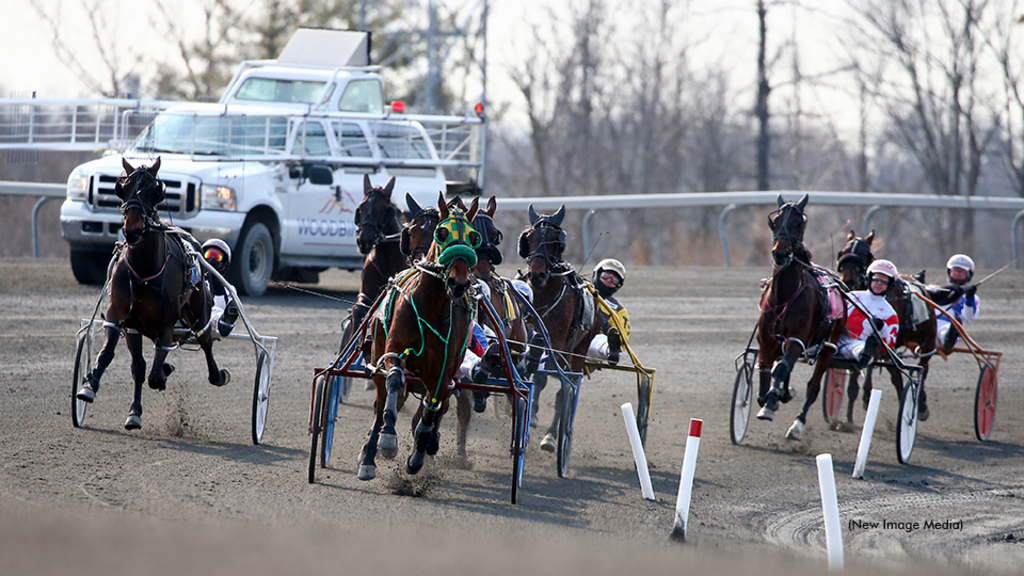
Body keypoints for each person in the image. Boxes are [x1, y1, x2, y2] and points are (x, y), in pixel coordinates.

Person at [837, 259, 900, 368]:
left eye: (884, 281)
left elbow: (888, 346)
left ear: (889, 285)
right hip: (833, 337)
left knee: (858, 348)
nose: (879, 283)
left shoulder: (890, 314)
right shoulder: (851, 296)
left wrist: (882, 328)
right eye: (876, 279)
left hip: (854, 344)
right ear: (869, 279)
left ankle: (865, 354)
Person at [934, 254, 980, 352]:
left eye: (961, 271)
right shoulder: (935, 289)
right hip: (929, 324)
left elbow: (968, 316)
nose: (957, 273)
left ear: (968, 274)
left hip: (949, 328)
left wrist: (969, 297)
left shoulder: (973, 298)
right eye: (954, 270)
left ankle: (949, 337)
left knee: (946, 331)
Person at [588, 258, 629, 366]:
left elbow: (623, 339)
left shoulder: (618, 310)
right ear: (597, 274)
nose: (609, 280)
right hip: (566, 336)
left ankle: (609, 349)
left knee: (600, 340)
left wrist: (605, 325)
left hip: (591, 343)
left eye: (615, 279)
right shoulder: (580, 291)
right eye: (606, 276)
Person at [202, 239, 239, 338]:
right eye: (209, 255)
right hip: (188, 317)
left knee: (218, 311)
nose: (211, 260)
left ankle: (223, 322)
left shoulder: (228, 289)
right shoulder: (194, 280)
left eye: (217, 257)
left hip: (212, 322)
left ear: (223, 265)